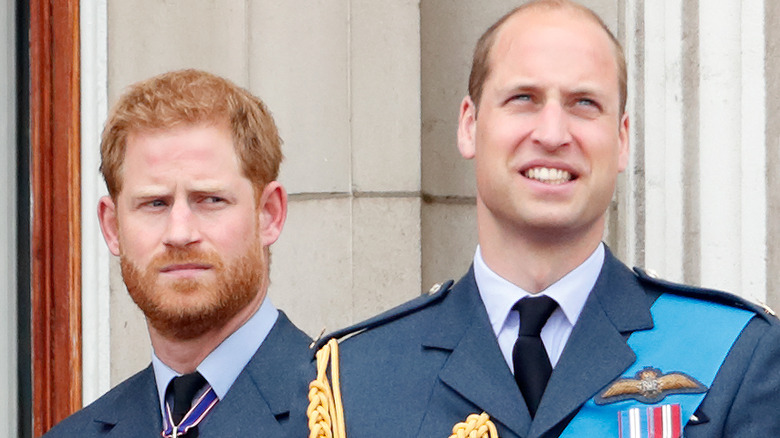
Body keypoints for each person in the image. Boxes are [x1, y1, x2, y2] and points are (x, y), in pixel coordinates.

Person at [308, 1, 780, 437]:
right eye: (524, 98)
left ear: (621, 139)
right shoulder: (356, 378)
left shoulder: (736, 356)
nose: (553, 134)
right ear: (470, 126)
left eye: (584, 103)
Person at [45, 69, 312, 437]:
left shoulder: (356, 414)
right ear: (111, 227)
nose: (180, 233)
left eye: (210, 199)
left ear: (269, 214)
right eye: (155, 203)